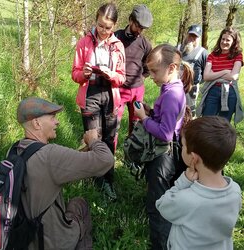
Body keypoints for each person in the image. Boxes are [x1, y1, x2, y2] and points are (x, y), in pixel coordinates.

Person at [16, 97, 115, 250]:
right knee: (80, 204)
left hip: (26, 237)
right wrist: (94, 141)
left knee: (74, 203)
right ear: (36, 123)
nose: (57, 122)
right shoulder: (50, 155)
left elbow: (51, 168)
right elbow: (106, 160)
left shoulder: (16, 149)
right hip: (52, 242)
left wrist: (81, 154)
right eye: (52, 117)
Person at [134, 44, 193, 250]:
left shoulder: (171, 94)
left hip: (164, 156)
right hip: (167, 151)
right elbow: (165, 120)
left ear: (171, 68)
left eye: (154, 71)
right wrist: (151, 113)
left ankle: (161, 243)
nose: (151, 76)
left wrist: (143, 119)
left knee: (158, 204)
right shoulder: (169, 88)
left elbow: (166, 133)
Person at [156, 116, 242, 250]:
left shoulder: (187, 200)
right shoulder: (235, 191)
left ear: (194, 158)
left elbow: (162, 205)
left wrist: (183, 181)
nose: (181, 148)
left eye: (183, 146)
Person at [72, 3, 125, 201]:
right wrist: (83, 74)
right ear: (96, 21)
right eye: (100, 25)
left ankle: (108, 179)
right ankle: (94, 179)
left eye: (108, 27)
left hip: (110, 96)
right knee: (94, 138)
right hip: (90, 95)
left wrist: (112, 74)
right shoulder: (84, 42)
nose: (103, 31)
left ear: (114, 26)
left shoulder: (118, 46)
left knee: (109, 140)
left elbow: (122, 78)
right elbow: (75, 74)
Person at [114, 4, 152, 137]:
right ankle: (109, 155)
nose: (139, 31)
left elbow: (148, 66)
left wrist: (142, 78)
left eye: (143, 28)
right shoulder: (116, 37)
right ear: (130, 20)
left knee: (135, 124)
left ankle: (131, 154)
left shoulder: (145, 44)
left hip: (137, 91)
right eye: (138, 26)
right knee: (114, 123)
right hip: (119, 89)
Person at [196, 26, 244, 124]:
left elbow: (233, 76)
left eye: (228, 40)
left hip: (229, 92)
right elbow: (206, 77)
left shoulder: (238, 55)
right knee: (207, 121)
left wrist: (214, 74)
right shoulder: (212, 55)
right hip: (212, 91)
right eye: (223, 39)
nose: (224, 42)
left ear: (234, 42)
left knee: (224, 124)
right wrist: (225, 72)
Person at [178, 24, 208, 116]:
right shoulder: (178, 48)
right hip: (176, 85)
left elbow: (206, 72)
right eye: (190, 35)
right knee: (175, 109)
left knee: (189, 112)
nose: (192, 38)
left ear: (199, 38)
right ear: (187, 35)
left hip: (191, 88)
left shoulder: (203, 53)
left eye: (195, 36)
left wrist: (197, 82)